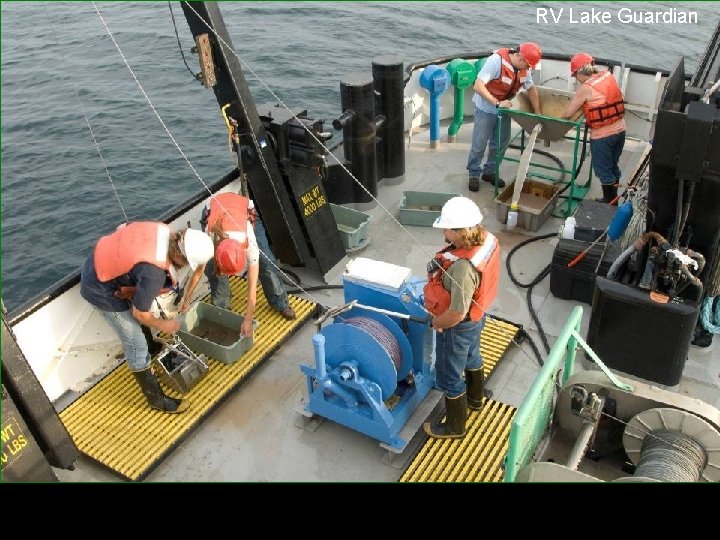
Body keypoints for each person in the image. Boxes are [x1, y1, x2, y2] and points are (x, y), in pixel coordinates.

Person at [80, 222, 214, 413]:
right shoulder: (154, 274)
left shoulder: (162, 229)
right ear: (179, 256)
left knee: (141, 312)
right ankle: (157, 401)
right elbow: (139, 313)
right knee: (136, 344)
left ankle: (152, 348)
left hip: (100, 264)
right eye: (186, 263)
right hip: (99, 288)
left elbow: (123, 228)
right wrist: (163, 325)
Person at [422, 196, 501, 439]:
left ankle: (455, 427)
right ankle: (476, 400)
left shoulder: (462, 269)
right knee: (472, 356)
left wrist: (437, 323)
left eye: (446, 228)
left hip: (458, 327)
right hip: (478, 319)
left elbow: (456, 314)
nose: (443, 231)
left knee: (448, 375)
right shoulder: (487, 240)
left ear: (458, 232)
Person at [200, 192, 295, 330]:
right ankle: (221, 310)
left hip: (244, 213)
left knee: (266, 263)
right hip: (213, 211)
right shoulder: (210, 238)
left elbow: (251, 287)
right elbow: (199, 270)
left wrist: (248, 319)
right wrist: (186, 300)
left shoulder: (250, 244)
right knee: (213, 270)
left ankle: (280, 302)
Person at [467, 42, 542, 192]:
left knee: (501, 142)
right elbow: (478, 85)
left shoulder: (523, 69)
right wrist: (497, 103)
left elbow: (531, 89)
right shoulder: (496, 61)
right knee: (479, 143)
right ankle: (474, 173)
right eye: (527, 66)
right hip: (486, 109)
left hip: (504, 110)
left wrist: (538, 112)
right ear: (520, 58)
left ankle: (490, 172)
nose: (528, 70)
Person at [562, 53, 626, 204]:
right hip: (620, 130)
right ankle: (614, 196)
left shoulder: (586, 88)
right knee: (612, 166)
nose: (575, 79)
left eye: (575, 75)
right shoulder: (607, 76)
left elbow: (568, 114)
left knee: (603, 171)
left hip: (603, 137)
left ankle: (610, 201)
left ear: (579, 72)